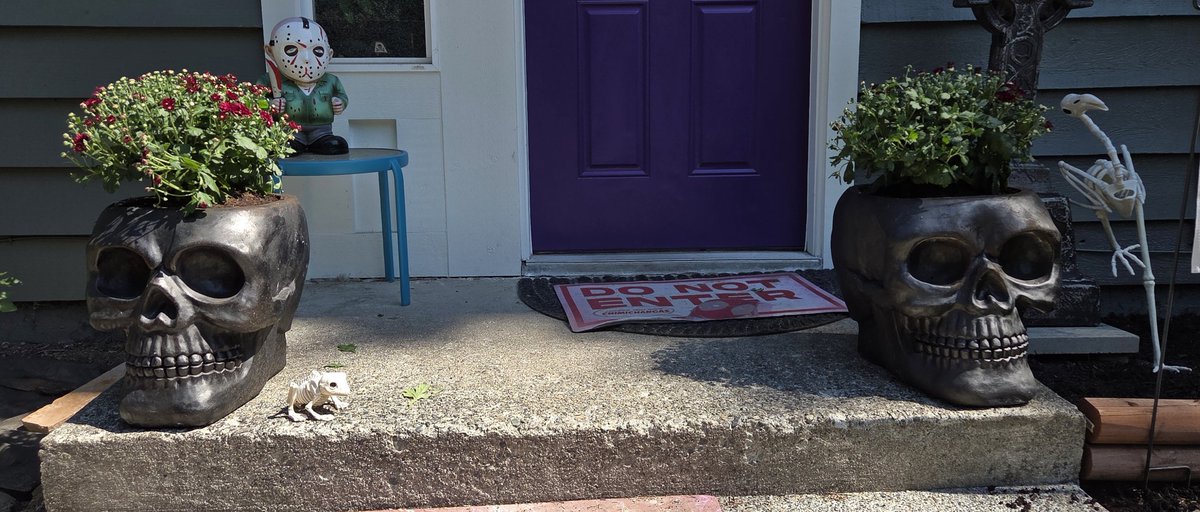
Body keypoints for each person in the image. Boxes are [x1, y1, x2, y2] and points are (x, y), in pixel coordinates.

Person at [261, 17, 349, 154]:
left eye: (317, 51)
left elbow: (342, 96)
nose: (307, 58)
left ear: (329, 54)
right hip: (289, 130)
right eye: (291, 50)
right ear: (271, 51)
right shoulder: (270, 80)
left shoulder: (331, 81)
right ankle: (293, 142)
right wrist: (270, 104)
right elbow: (257, 101)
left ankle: (320, 141)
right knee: (287, 146)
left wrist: (340, 102)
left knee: (334, 145)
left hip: (322, 131)